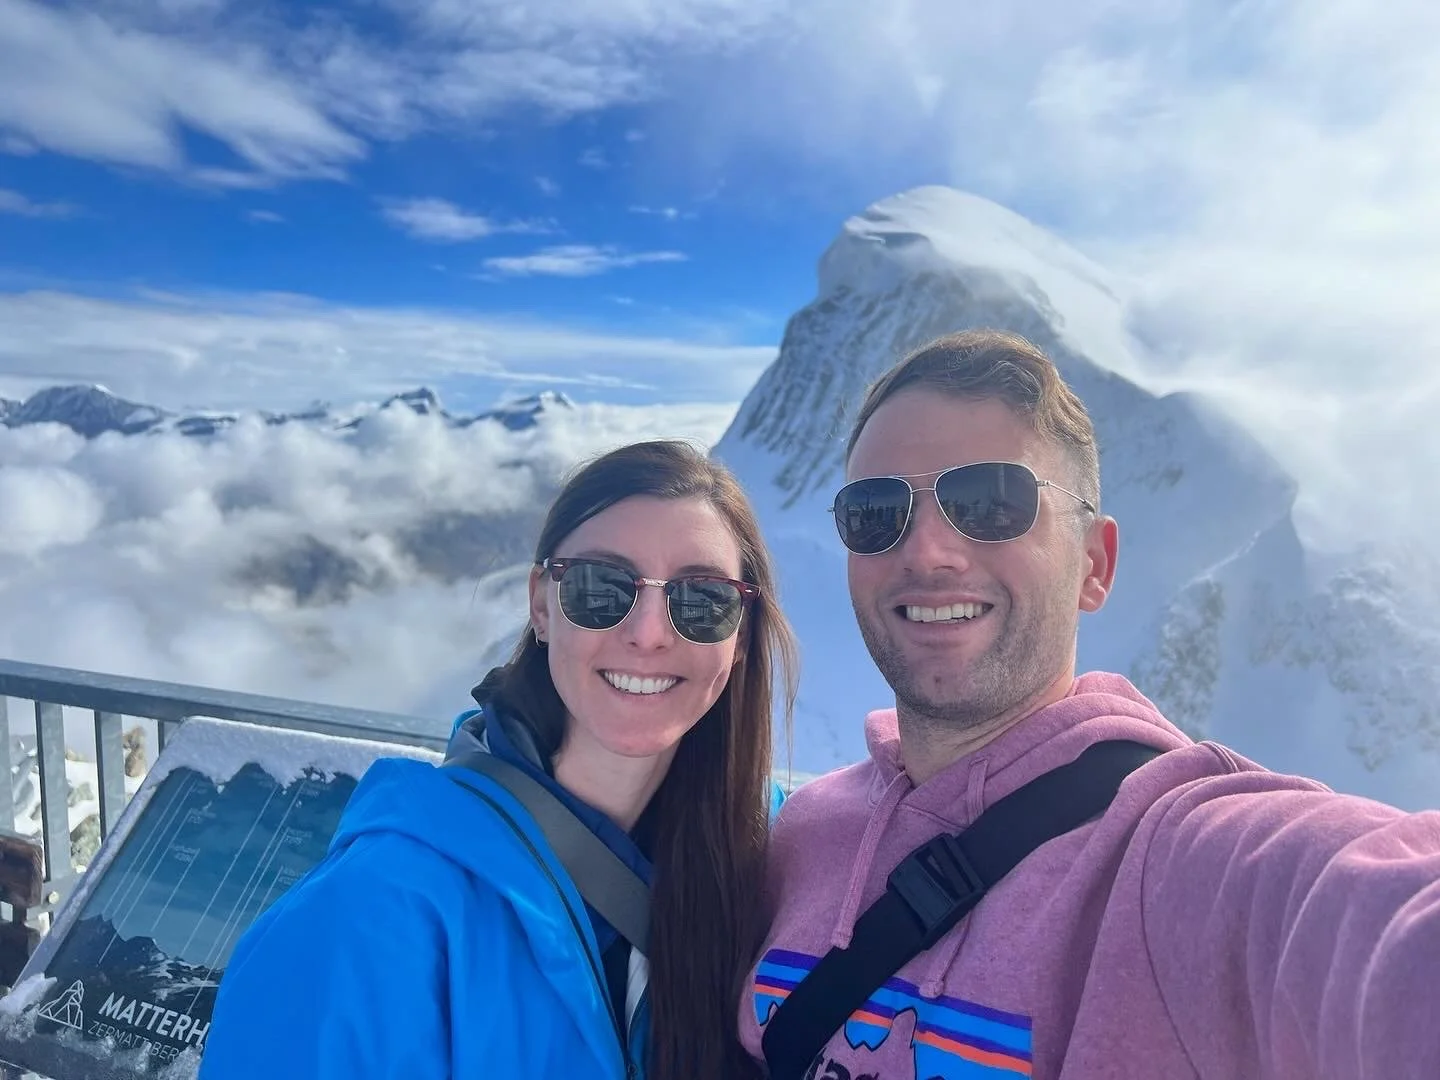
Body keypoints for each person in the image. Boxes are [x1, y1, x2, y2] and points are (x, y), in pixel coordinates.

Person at [740, 329, 1440, 1079]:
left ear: (1095, 565)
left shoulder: (1170, 857)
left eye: (989, 502)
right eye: (877, 512)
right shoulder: (799, 841)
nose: (928, 552)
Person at [200, 438, 797, 1080]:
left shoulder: (782, 864)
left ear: (740, 636)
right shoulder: (369, 917)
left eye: (701, 600)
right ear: (541, 604)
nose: (649, 632)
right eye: (601, 587)